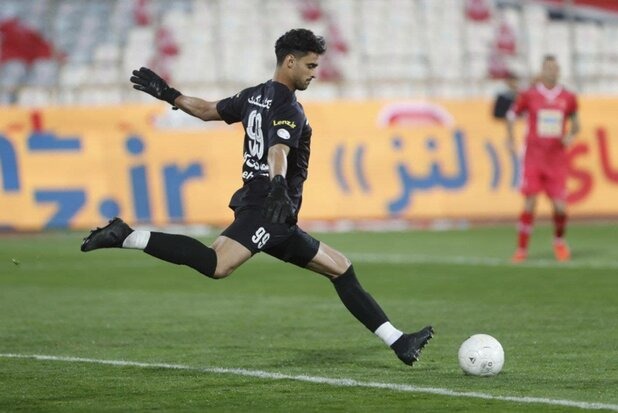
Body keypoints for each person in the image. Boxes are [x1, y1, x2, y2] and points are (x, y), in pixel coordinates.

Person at [80, 29, 433, 365]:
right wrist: (278, 183)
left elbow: (206, 110)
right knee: (217, 264)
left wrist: (169, 94)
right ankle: (127, 235)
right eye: (310, 65)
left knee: (340, 268)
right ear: (290, 62)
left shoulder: (253, 96)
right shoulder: (288, 107)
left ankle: (399, 342)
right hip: (269, 206)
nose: (314, 73)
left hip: (273, 211)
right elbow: (278, 149)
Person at [506, 55, 580, 263]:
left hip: (556, 159)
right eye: (548, 68)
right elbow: (511, 115)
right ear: (542, 70)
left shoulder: (568, 97)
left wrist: (570, 136)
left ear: (559, 71)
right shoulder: (530, 95)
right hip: (533, 157)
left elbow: (576, 124)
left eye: (555, 68)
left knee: (560, 207)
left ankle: (559, 241)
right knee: (530, 202)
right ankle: (521, 249)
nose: (552, 71)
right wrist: (510, 139)